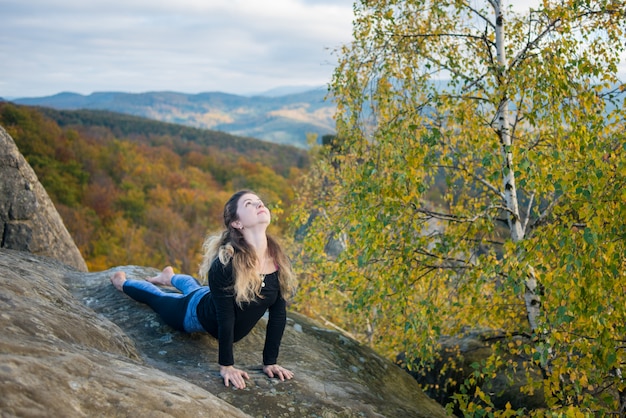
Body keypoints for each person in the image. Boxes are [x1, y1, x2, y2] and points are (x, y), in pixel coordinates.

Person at [110, 190, 298, 389]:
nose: (259, 204)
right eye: (249, 203)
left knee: (194, 288)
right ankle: (121, 282)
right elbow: (225, 316)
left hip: (209, 297)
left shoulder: (278, 261)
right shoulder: (226, 264)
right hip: (193, 312)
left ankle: (169, 277)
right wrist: (227, 366)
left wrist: (270, 362)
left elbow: (278, 314)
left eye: (259, 202)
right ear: (237, 223)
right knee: (157, 298)